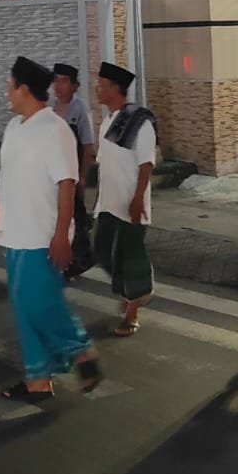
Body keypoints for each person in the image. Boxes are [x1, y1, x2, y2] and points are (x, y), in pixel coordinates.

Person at [0, 56, 102, 400]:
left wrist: (61, 235)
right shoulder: (14, 127)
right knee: (23, 305)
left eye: (9, 86)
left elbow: (67, 184)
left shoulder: (55, 129)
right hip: (16, 233)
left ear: (24, 89)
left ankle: (81, 349)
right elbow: (6, 177)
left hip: (42, 235)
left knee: (39, 303)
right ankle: (38, 379)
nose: (6, 92)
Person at [91, 63, 157, 337]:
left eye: (101, 84)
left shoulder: (140, 122)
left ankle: (132, 312)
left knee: (130, 259)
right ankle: (136, 291)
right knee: (102, 250)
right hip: (108, 202)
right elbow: (105, 164)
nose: (96, 88)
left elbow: (146, 164)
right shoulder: (107, 121)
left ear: (115, 88)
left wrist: (138, 199)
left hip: (132, 203)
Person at [49, 63, 97, 277]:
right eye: (56, 80)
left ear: (75, 86)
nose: (58, 86)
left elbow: (88, 147)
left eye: (64, 81)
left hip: (71, 176)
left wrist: (83, 176)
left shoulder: (79, 110)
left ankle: (78, 260)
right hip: (51, 175)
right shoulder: (49, 108)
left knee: (73, 218)